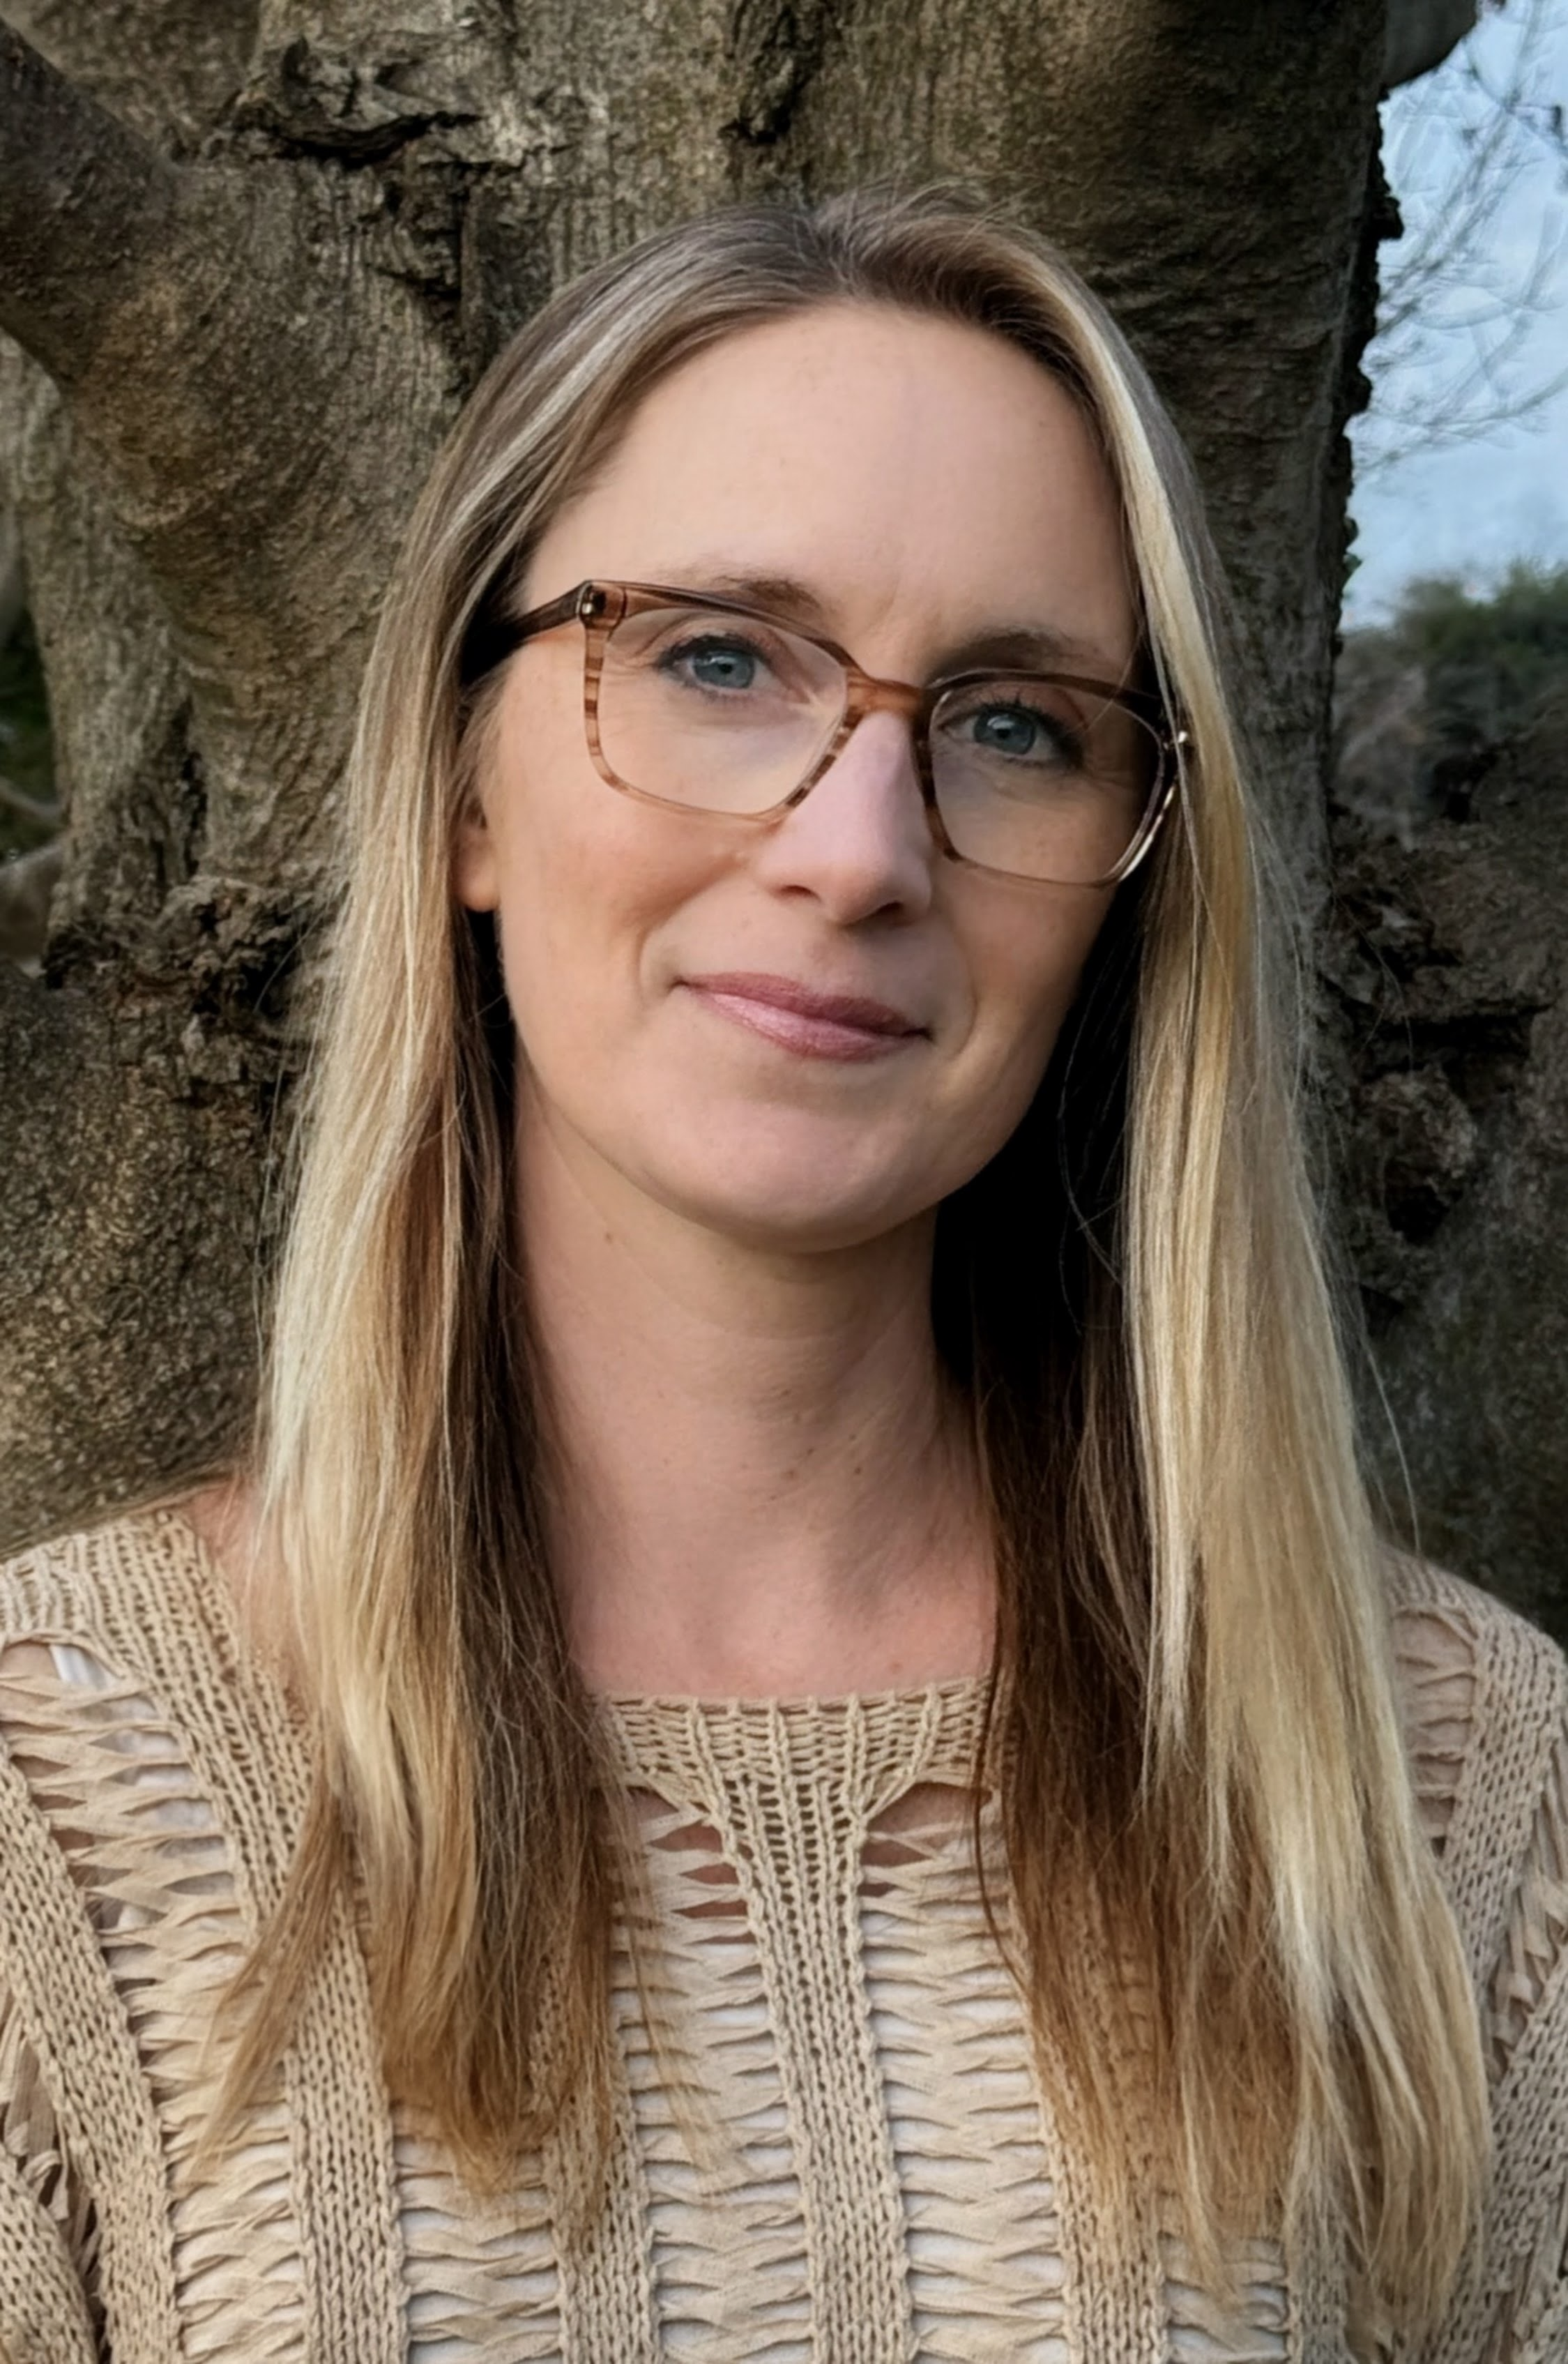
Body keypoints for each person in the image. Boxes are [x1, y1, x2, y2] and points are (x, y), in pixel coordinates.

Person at [0, 187, 1562, 2364]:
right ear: (462, 775)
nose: (858, 850)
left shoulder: (1453, 1794)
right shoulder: (46, 1812)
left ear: (1133, 878)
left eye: (1018, 721)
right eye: (722, 657)